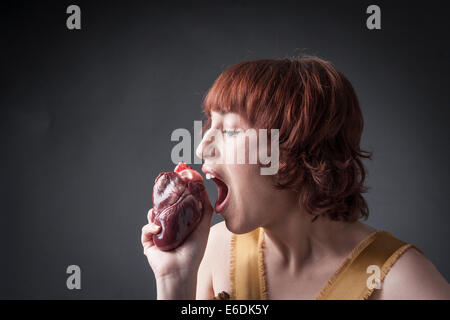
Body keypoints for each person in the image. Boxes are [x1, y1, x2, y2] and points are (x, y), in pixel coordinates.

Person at [141, 56, 450, 299]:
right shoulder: (214, 249)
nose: (201, 145)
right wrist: (174, 281)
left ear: (293, 152)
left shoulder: (400, 279)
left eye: (231, 129)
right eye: (210, 123)